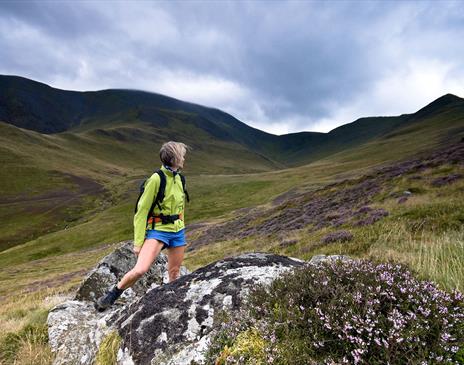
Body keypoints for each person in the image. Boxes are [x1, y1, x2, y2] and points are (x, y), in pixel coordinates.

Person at [95, 141, 190, 311]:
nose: (184, 158)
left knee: (174, 272)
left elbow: (181, 206)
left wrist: (181, 225)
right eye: (182, 155)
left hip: (177, 231)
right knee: (140, 270)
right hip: (158, 231)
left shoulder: (180, 179)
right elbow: (141, 211)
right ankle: (113, 295)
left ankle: (171, 303)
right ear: (174, 157)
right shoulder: (156, 179)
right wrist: (138, 242)